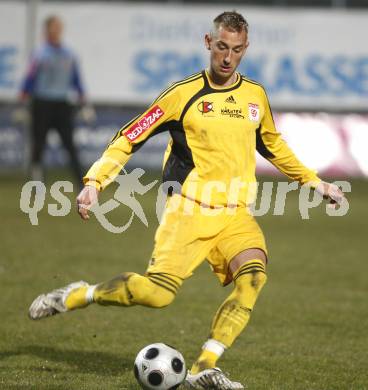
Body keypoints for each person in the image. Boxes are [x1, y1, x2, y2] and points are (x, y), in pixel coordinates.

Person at [29, 11, 345, 389]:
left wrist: (315, 183)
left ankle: (203, 367)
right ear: (208, 43)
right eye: (222, 47)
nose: (228, 58)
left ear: (246, 49)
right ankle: (82, 294)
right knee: (157, 295)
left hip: (235, 215)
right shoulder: (183, 94)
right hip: (189, 211)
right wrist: (95, 180)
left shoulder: (255, 96)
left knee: (253, 278)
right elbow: (131, 135)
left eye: (237, 50)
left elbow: (272, 145)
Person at [20, 15, 85, 184]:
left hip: (62, 104)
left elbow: (76, 78)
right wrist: (24, 95)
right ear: (47, 30)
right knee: (38, 146)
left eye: (59, 27)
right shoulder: (40, 53)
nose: (57, 30)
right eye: (54, 27)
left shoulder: (69, 53)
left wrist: (82, 97)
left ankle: (81, 183)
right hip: (42, 103)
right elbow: (30, 77)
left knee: (70, 146)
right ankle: (36, 184)